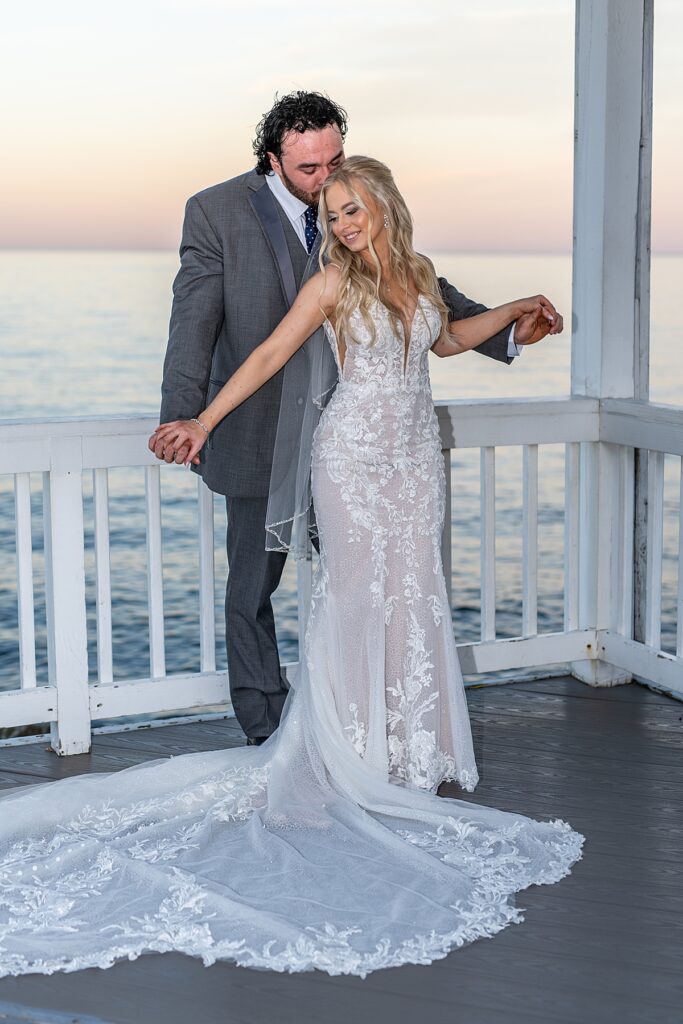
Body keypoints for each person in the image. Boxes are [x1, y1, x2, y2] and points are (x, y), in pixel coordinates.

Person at [0, 157, 583, 981]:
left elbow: (447, 339)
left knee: (412, 598)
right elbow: (271, 355)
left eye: (352, 209)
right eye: (333, 212)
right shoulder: (329, 283)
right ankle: (338, 758)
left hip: (414, 461)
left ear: (382, 203)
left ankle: (409, 754)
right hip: (348, 459)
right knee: (352, 601)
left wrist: (518, 311)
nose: (341, 224)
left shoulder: (415, 273)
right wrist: (199, 418)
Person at [152, 90, 561, 746]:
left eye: (335, 162)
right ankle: (272, 734)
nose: (326, 184)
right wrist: (189, 417)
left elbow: (436, 312)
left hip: (391, 451)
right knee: (257, 590)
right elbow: (204, 324)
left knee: (388, 592)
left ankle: (383, 731)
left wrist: (512, 326)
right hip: (265, 437)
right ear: (273, 159)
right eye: (310, 171)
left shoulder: (360, 211)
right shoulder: (216, 212)